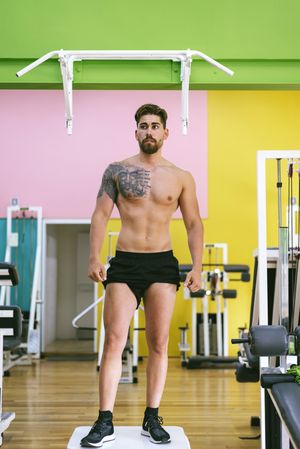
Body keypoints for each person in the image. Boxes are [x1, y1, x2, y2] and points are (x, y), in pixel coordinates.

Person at [81, 103, 204, 447]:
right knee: (114, 341)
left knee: (159, 344)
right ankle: (105, 420)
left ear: (166, 132)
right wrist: (93, 256)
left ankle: (152, 417)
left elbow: (194, 223)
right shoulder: (117, 171)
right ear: (136, 132)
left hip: (162, 263)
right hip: (125, 263)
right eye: (143, 125)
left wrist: (197, 266)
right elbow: (100, 216)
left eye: (155, 126)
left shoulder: (181, 177)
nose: (149, 131)